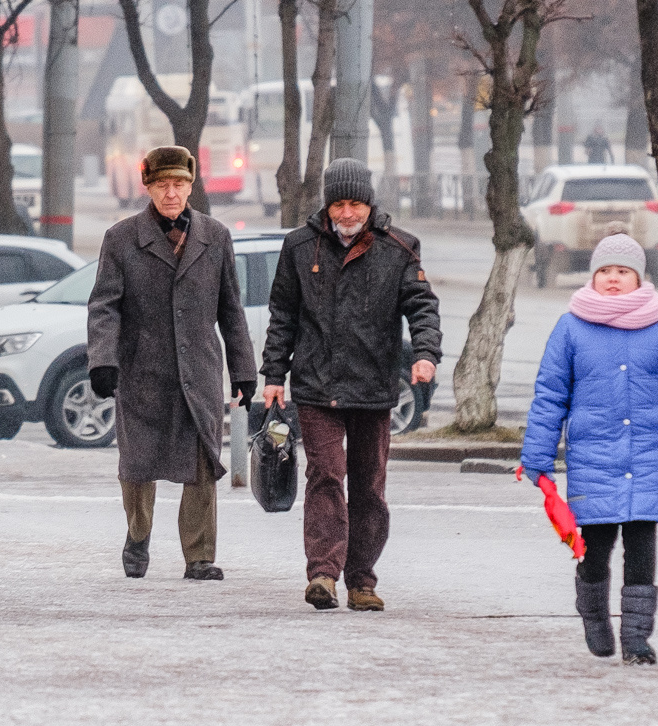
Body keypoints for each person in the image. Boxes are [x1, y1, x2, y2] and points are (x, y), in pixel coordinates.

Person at [521, 234, 658, 663]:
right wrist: (536, 456)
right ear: (593, 276)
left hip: (649, 458)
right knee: (595, 550)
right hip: (594, 460)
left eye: (623, 272)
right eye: (605, 271)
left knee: (642, 552)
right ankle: (593, 616)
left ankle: (636, 638)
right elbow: (550, 395)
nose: (613, 279)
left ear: (639, 278)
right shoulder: (571, 327)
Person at [259, 159, 441, 611]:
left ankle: (362, 579)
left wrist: (424, 354)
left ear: (368, 203)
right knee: (325, 474)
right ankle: (323, 573)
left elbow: (422, 307)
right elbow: (282, 315)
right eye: (338, 204)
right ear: (328, 205)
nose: (346, 213)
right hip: (317, 386)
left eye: (354, 203)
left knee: (369, 485)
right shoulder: (300, 247)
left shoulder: (399, 248)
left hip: (374, 386)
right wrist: (274, 376)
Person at [87, 145, 257, 582]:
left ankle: (199, 556)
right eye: (163, 184)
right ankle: (138, 534)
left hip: (197, 372)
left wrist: (243, 370)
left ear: (190, 186)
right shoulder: (122, 238)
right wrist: (103, 360)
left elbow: (230, 308)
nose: (171, 193)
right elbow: (104, 306)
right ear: (148, 187)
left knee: (202, 461)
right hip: (142, 369)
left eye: (179, 184)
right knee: (138, 463)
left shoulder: (215, 236)